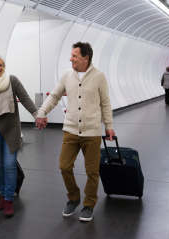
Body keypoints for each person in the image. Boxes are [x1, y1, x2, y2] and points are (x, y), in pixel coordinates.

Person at [34, 42, 114, 223]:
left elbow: (106, 103)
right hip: (70, 129)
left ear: (86, 58)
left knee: (92, 171)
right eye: (71, 55)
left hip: (91, 132)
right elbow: (54, 95)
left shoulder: (99, 77)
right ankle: (73, 197)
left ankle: (89, 204)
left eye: (74, 56)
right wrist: (42, 112)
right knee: (64, 166)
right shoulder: (67, 75)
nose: (70, 58)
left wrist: (109, 125)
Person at [0, 53, 38, 217]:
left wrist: (37, 115)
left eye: (1, 65)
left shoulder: (12, 81)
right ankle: (2, 195)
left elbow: (25, 99)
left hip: (10, 129)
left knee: (9, 165)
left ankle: (9, 199)